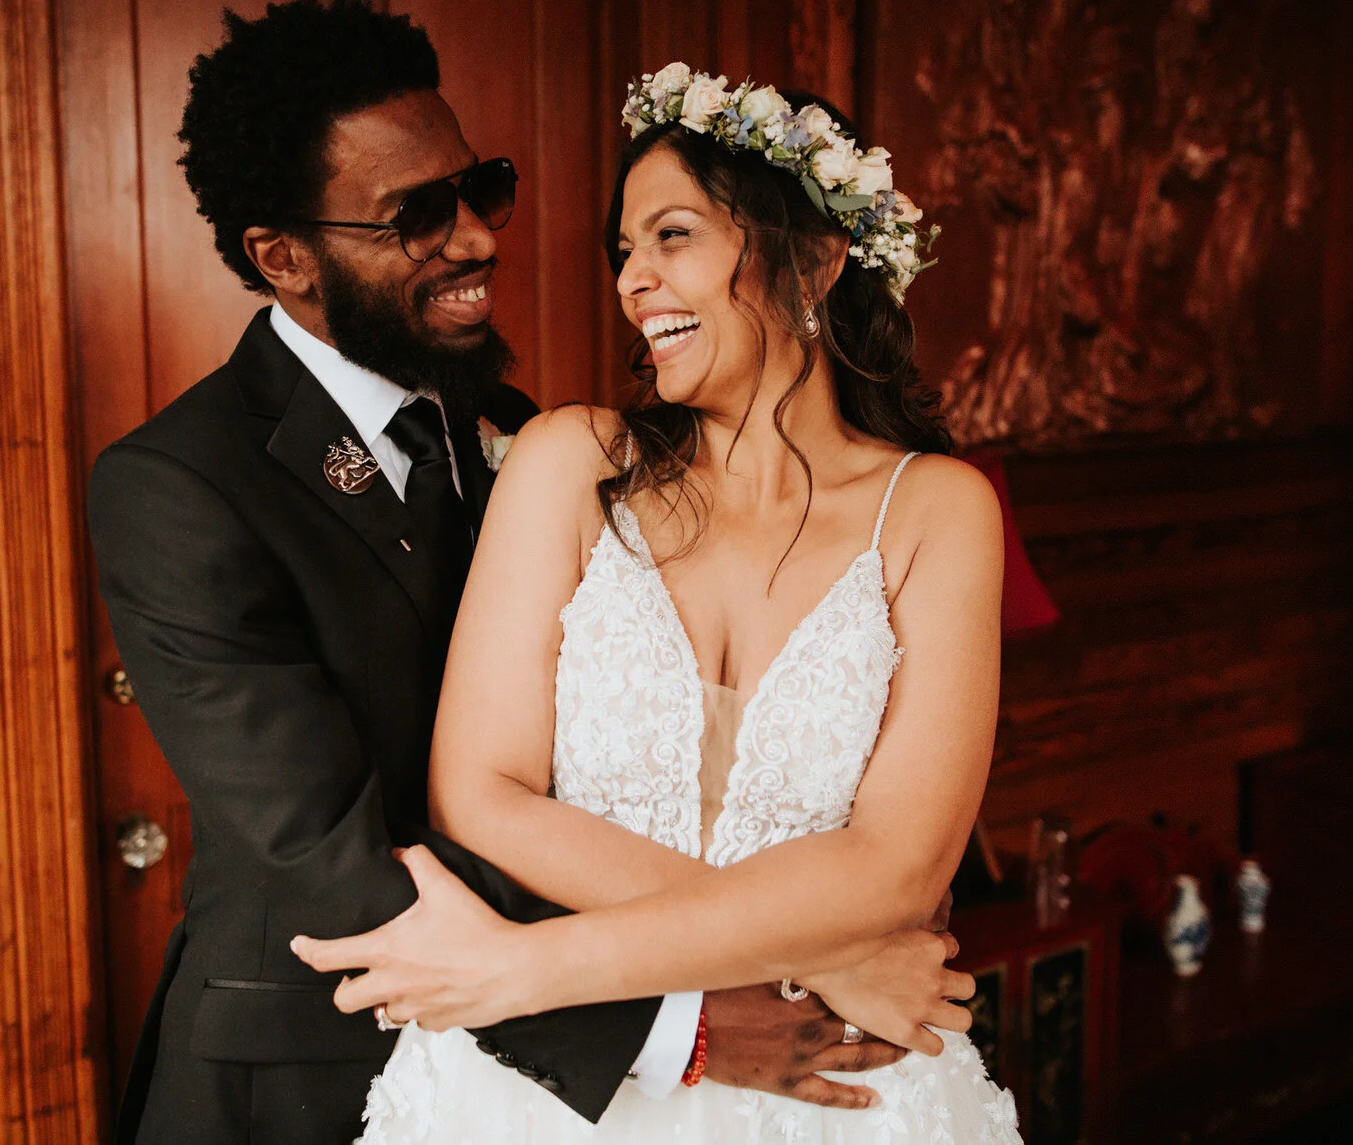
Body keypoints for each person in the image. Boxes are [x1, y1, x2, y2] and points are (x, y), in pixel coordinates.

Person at [88, 3, 972, 1145]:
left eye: (479, 188)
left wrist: (804, 943)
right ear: (282, 257)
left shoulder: (518, 427)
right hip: (325, 1056)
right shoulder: (178, 481)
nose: (474, 238)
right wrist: (705, 1012)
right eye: (416, 215)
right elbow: (336, 849)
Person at [296, 65, 1021, 1142]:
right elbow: (479, 791)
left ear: (812, 257)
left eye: (670, 235)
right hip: (561, 1093)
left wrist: (517, 966)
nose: (633, 279)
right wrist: (819, 949)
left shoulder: (937, 511)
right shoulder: (569, 462)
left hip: (846, 1089)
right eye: (622, 252)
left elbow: (897, 865)